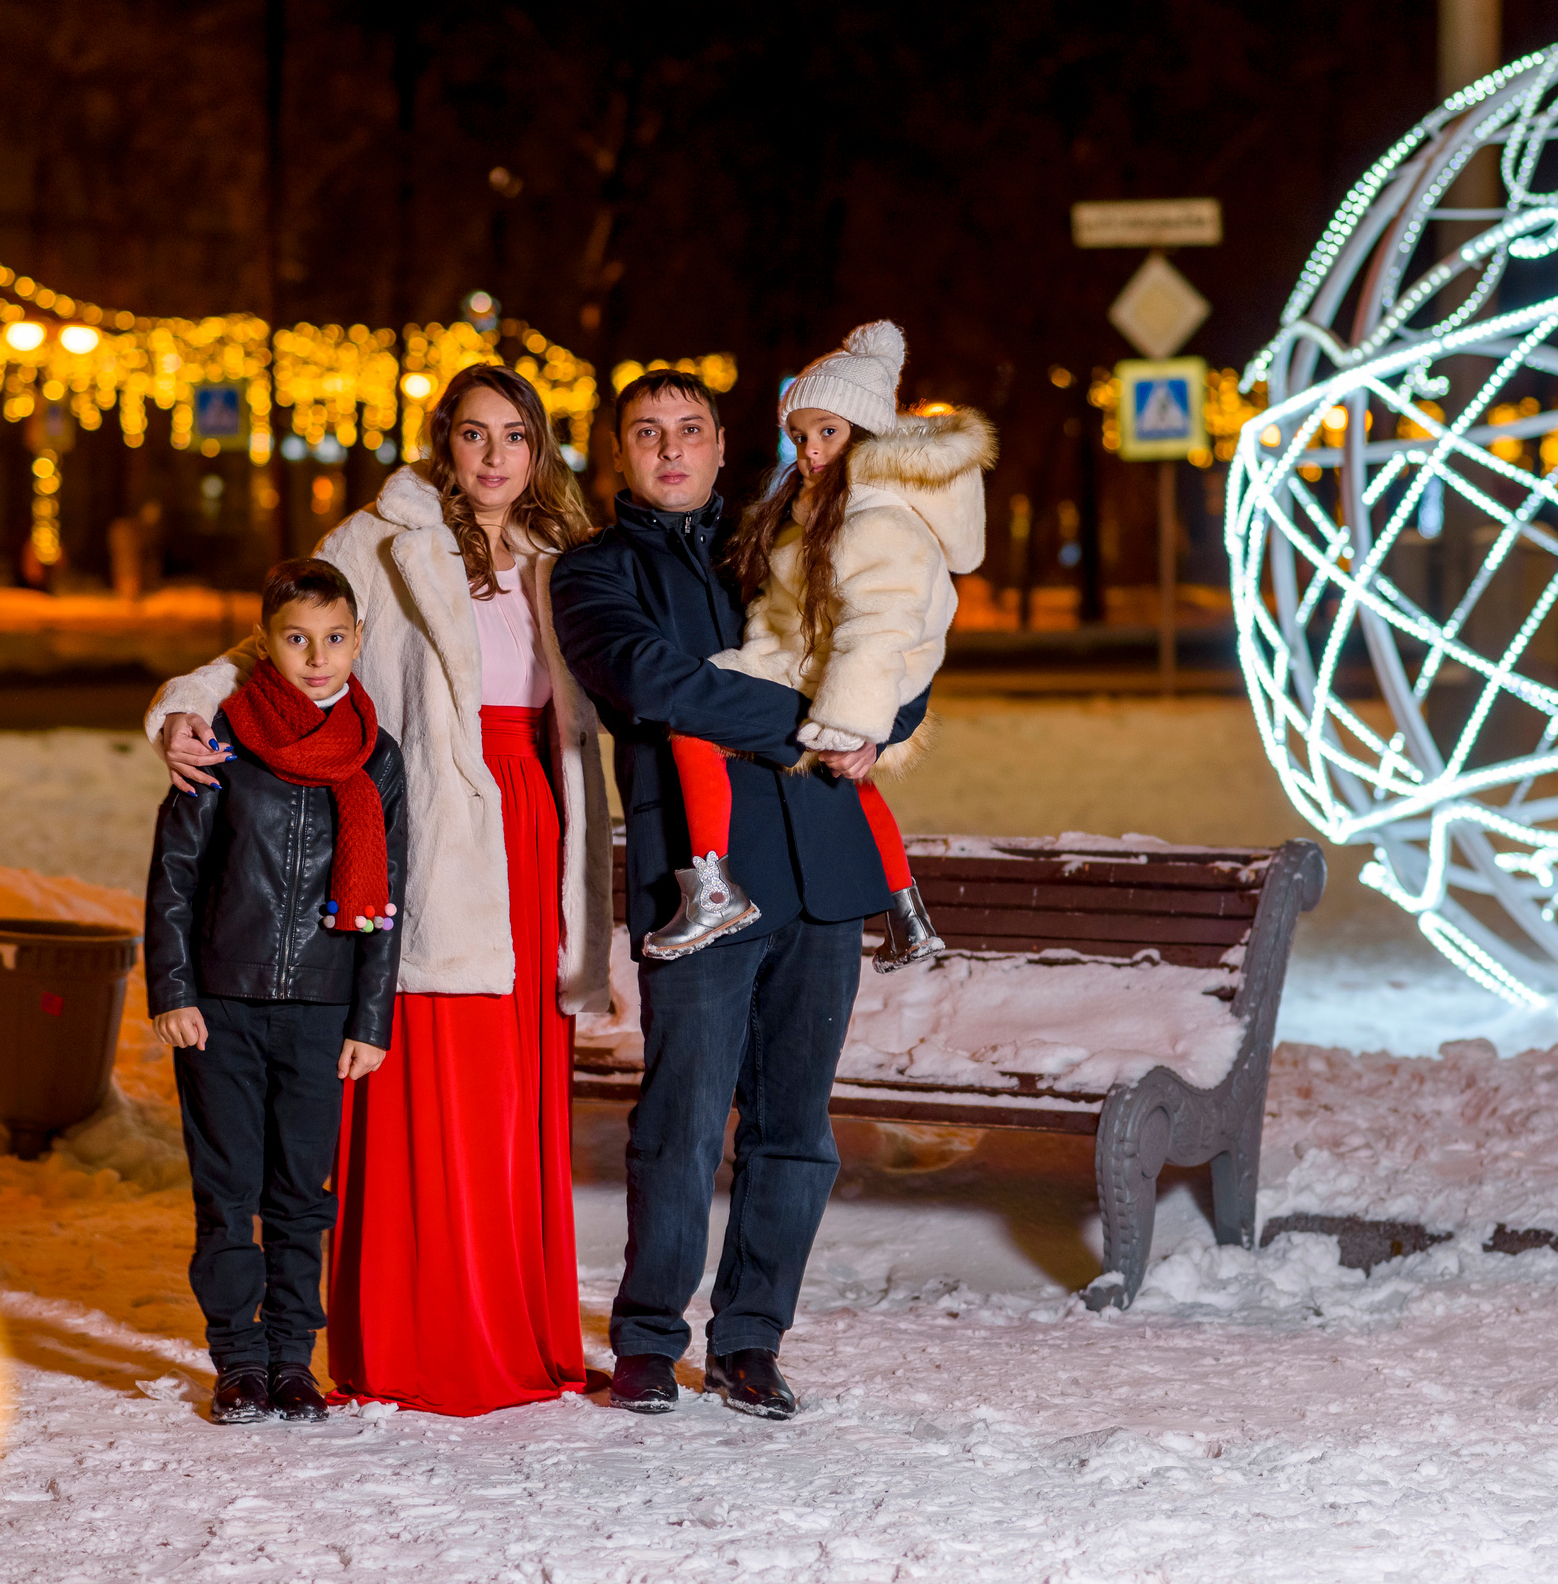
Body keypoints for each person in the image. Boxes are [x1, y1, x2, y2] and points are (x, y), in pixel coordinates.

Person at [149, 365, 612, 1417]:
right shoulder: (383, 535)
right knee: (440, 1081)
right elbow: (270, 644)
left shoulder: (558, 555)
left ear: (539, 449)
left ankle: (519, 1325)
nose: (494, 458)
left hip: (535, 820)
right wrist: (185, 708)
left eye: (515, 437)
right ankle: (422, 1339)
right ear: (442, 442)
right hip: (443, 827)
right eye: (473, 435)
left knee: (514, 1090)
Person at [551, 367, 930, 1420]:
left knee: (793, 1126)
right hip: (698, 878)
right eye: (645, 432)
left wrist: (880, 722)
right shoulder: (591, 572)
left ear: (723, 444)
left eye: (689, 429)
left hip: (820, 868)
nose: (670, 448)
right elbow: (652, 680)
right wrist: (819, 718)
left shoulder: (788, 539)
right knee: (679, 1113)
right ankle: (646, 1337)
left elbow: (896, 640)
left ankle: (751, 1339)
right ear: (617, 453)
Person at [143, 556, 408, 1426]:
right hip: (220, 1003)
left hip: (324, 1007)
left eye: (335, 639)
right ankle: (238, 1358)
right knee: (228, 1192)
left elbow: (389, 898)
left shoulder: (377, 756)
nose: (318, 656)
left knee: (301, 1193)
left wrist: (371, 1016)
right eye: (297, 639)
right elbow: (176, 874)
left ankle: (293, 1356)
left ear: (358, 641)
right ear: (267, 643)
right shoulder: (221, 734)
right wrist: (173, 989)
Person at [646, 320, 991, 971]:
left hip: (863, 673)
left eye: (827, 432)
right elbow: (801, 614)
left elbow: (877, 628)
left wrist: (853, 724)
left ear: (864, 433)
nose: (809, 449)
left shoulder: (875, 518)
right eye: (800, 436)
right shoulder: (832, 505)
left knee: (694, 721)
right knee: (850, 781)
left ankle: (713, 889)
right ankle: (908, 914)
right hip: (832, 665)